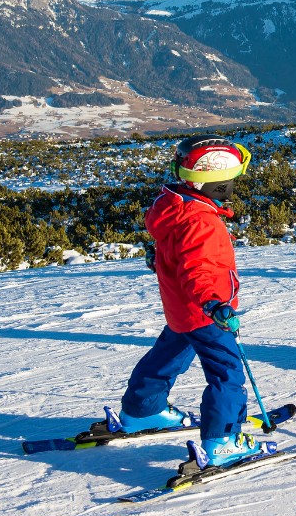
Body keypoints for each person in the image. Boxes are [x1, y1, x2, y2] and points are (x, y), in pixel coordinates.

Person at [111, 134, 275, 468]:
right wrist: (214, 304)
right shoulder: (201, 221)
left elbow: (178, 256)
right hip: (206, 312)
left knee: (168, 355)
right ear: (216, 183)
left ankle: (143, 410)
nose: (233, 187)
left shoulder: (177, 206)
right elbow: (198, 271)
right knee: (227, 372)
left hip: (182, 308)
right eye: (230, 181)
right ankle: (222, 440)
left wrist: (158, 259)